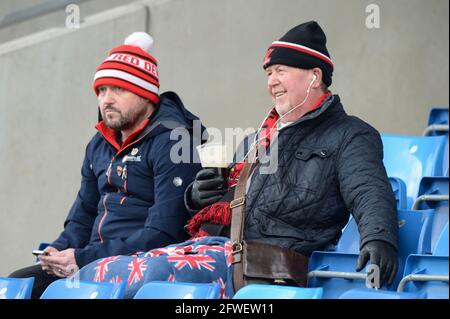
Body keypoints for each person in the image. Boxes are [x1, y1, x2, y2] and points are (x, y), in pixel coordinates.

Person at [77, 21, 398, 299]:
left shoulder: (349, 134)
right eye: (269, 72)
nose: (271, 81)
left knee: (149, 271)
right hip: (223, 249)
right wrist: (196, 196)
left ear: (315, 76)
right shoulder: (254, 140)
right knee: (96, 272)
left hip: (275, 260)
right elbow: (226, 202)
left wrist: (379, 237)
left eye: (281, 71)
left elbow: (368, 189)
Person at [9, 32, 204, 298]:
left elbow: (164, 232)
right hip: (93, 259)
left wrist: (83, 256)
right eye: (101, 90)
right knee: (20, 282)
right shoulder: (98, 144)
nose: (106, 99)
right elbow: (84, 213)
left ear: (145, 94)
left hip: (141, 262)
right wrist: (58, 250)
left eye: (118, 89)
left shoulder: (173, 142)